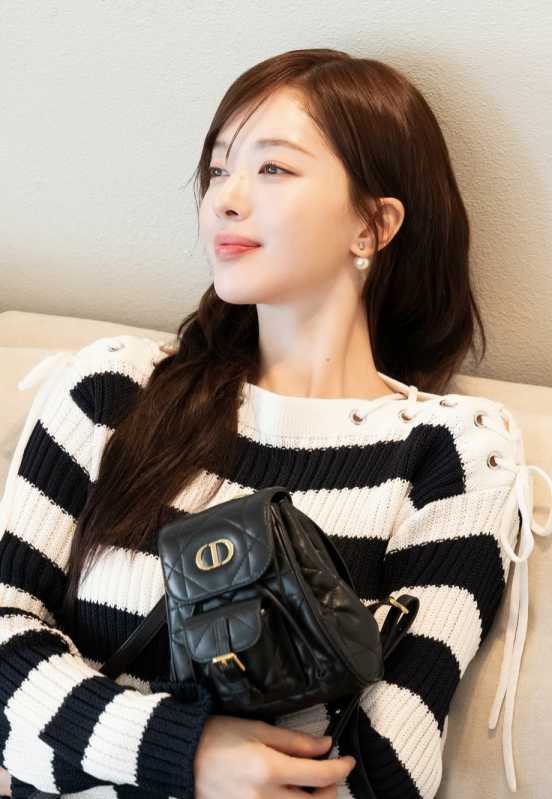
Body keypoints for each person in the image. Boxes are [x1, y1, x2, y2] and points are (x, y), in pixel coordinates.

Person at [1, 48, 551, 799]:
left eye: (273, 168)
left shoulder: (452, 455)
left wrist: (69, 736)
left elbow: (390, 763)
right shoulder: (110, 390)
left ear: (373, 224)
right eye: (218, 168)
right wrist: (188, 753)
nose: (224, 200)